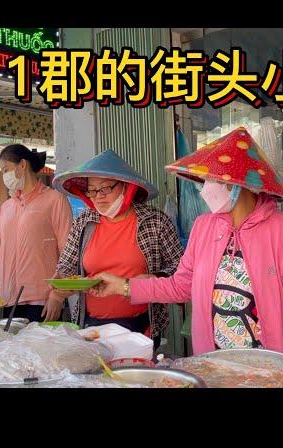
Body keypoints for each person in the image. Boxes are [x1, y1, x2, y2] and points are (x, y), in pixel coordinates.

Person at [92, 128, 283, 367]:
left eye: (210, 180)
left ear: (237, 185)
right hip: (217, 367)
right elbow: (181, 285)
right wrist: (122, 286)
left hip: (275, 368)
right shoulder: (203, 228)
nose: (204, 189)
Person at [45, 149, 183, 348]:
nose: (98, 197)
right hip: (92, 326)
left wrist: (145, 281)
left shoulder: (155, 221)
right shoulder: (84, 222)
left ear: (127, 186)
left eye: (105, 189)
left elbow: (179, 270)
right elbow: (67, 265)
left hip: (142, 325)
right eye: (91, 191)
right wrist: (61, 286)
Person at [0, 144, 73, 323]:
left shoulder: (55, 200)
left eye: (6, 170)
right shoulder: (6, 207)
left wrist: (58, 294)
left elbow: (69, 253)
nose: (5, 177)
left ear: (22, 165)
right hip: (7, 301)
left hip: (42, 302)